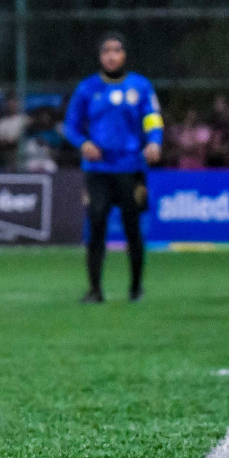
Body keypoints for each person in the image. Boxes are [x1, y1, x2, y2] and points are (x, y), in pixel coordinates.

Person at [62, 33, 163, 303]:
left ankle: (136, 289)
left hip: (131, 168)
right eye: (106, 50)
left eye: (117, 50)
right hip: (98, 171)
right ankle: (95, 290)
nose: (111, 55)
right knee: (96, 226)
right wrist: (83, 143)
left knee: (133, 229)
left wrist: (154, 142)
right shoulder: (87, 88)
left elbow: (152, 119)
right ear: (100, 56)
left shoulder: (141, 87)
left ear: (124, 55)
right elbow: (70, 125)